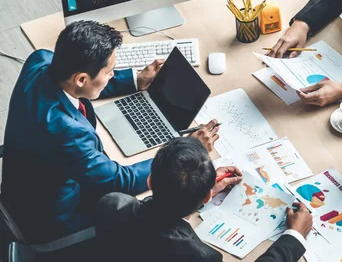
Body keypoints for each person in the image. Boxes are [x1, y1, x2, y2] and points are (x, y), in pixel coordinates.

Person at [1, 21, 220, 242]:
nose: (112, 74)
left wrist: (136, 80)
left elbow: (82, 85)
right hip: (54, 217)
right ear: (82, 79)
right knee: (149, 215)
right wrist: (188, 152)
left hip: (20, 186)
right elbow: (121, 181)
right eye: (109, 72)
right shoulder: (67, 133)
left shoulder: (40, 60)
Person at [96, 137, 312, 261]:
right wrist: (294, 237)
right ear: (210, 195)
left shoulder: (112, 203)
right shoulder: (199, 257)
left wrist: (193, 189)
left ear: (150, 181)